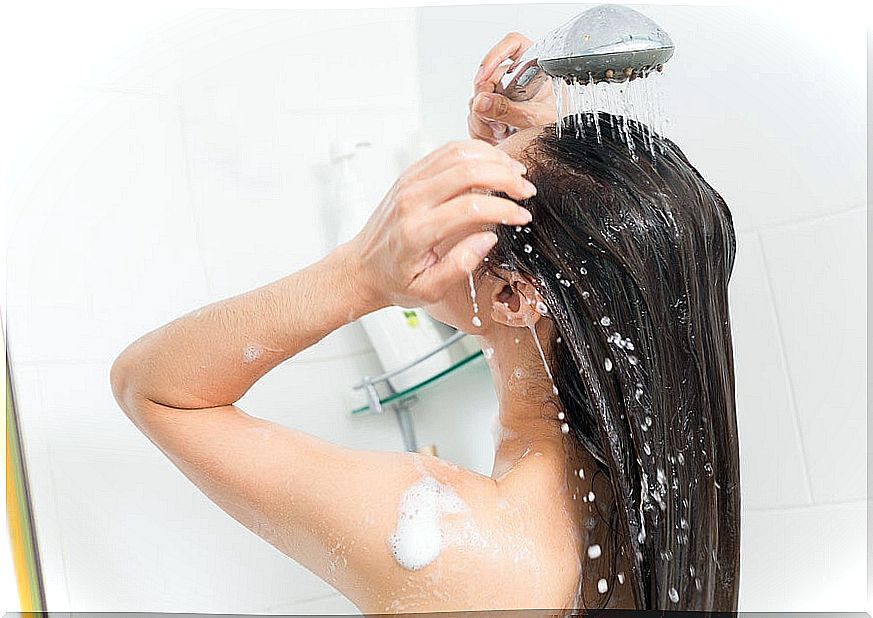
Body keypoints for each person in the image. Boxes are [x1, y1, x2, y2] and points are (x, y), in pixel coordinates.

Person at [111, 33, 740, 613]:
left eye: (476, 197)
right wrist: (553, 174)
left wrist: (359, 271)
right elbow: (594, 271)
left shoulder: (452, 540)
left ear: (515, 296)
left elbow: (154, 390)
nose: (453, 203)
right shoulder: (660, 508)